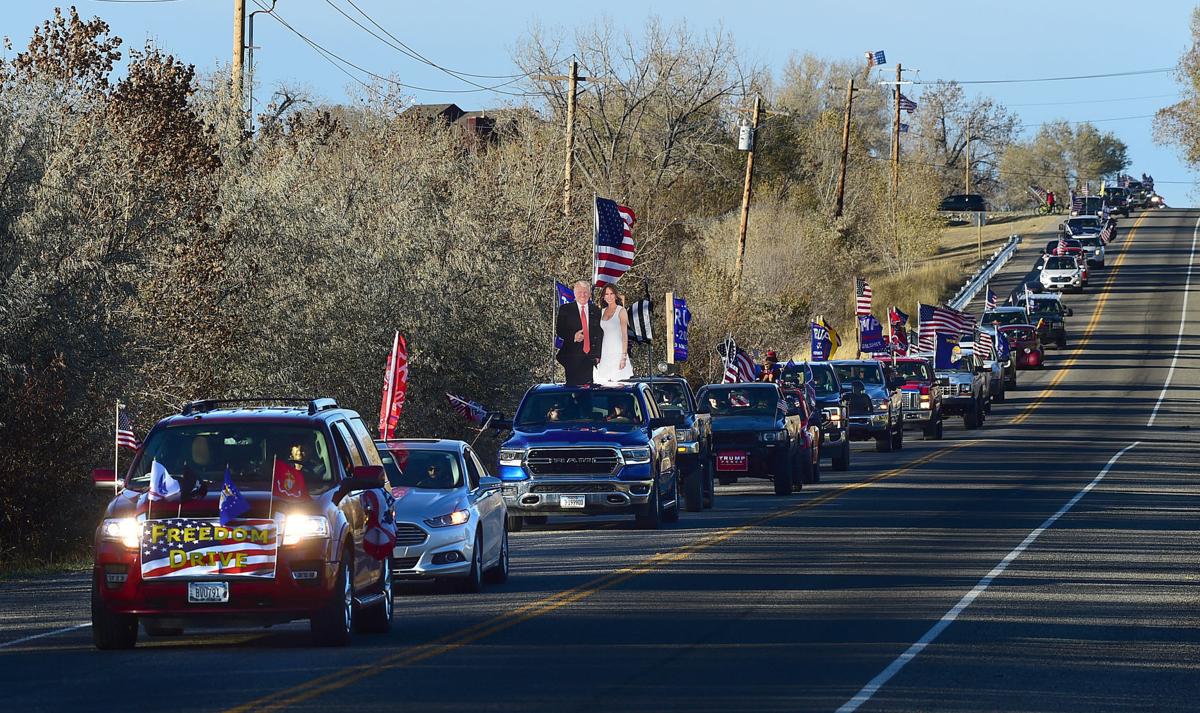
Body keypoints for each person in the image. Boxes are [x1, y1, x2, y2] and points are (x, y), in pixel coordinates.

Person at [555, 280, 604, 386]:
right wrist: (573, 336)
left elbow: (599, 334)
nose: (583, 295)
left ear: (590, 294)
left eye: (585, 292)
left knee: (589, 391)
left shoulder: (596, 310)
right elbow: (560, 330)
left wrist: (598, 354)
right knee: (573, 391)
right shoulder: (565, 309)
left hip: (590, 359)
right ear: (575, 293)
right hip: (572, 357)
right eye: (580, 292)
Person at [593, 284, 633, 383]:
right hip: (605, 352)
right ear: (603, 296)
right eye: (606, 294)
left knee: (619, 384)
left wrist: (623, 357)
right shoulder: (602, 311)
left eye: (611, 293)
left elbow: (624, 336)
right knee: (604, 383)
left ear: (615, 295)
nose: (609, 296)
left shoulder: (621, 311)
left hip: (618, 352)